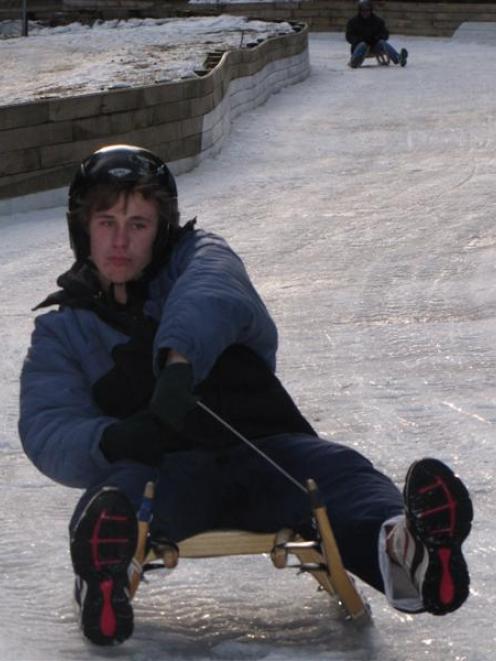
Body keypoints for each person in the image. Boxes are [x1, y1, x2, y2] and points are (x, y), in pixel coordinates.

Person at [19, 144, 472, 646]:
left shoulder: (199, 256)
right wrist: (114, 439)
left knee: (340, 474)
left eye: (139, 224)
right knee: (114, 505)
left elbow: (213, 292)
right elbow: (47, 423)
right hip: (161, 474)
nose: (120, 241)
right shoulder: (63, 332)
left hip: (264, 450)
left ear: (162, 230)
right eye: (106, 222)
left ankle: (407, 552)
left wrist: (179, 365)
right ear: (82, 229)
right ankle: (104, 576)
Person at [346, 0, 408, 68]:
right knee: (362, 45)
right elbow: (349, 36)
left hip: (374, 46)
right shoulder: (353, 22)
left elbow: (385, 34)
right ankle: (354, 61)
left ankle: (398, 58)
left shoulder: (378, 21)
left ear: (371, 10)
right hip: (359, 46)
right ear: (359, 11)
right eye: (363, 10)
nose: (365, 12)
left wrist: (377, 38)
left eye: (367, 10)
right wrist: (359, 40)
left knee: (381, 42)